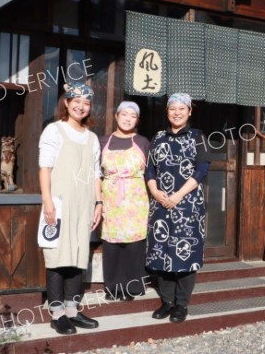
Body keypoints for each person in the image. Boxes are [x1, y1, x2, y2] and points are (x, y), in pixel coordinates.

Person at [38, 82, 102, 335]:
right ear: (66, 103)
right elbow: (45, 168)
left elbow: (96, 173)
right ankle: (56, 313)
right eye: (76, 101)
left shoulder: (92, 137)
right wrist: (47, 202)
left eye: (86, 103)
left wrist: (98, 202)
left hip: (84, 204)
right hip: (59, 203)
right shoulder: (54, 131)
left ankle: (73, 310)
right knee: (57, 257)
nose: (81, 106)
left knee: (77, 256)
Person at [145, 93, 210, 323]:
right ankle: (167, 302)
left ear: (189, 111)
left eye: (182, 108)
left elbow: (201, 170)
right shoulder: (159, 137)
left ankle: (181, 304)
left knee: (185, 253)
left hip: (188, 205)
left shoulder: (197, 136)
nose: (177, 112)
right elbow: (150, 169)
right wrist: (154, 191)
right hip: (161, 204)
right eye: (173, 108)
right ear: (167, 111)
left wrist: (178, 195)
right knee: (162, 253)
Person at [99, 101, 150, 301]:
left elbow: (151, 173)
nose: (128, 119)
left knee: (134, 244)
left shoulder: (143, 142)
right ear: (116, 116)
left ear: (137, 120)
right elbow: (95, 173)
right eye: (124, 114)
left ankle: (132, 287)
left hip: (135, 199)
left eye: (133, 116)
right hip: (111, 198)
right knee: (112, 245)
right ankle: (112, 288)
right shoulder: (103, 142)